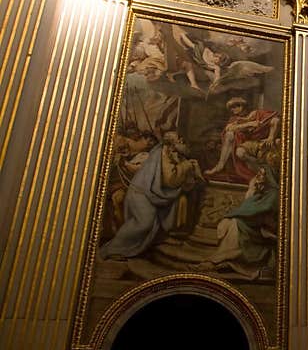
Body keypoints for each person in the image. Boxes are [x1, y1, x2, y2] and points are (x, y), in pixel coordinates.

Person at [99, 131, 205, 260]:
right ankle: (114, 249)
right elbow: (170, 180)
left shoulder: (171, 153)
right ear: (170, 144)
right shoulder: (163, 153)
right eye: (179, 140)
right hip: (141, 194)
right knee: (144, 223)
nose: (182, 141)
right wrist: (186, 166)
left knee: (165, 212)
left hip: (151, 193)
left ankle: (162, 238)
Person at [196, 166, 278, 279]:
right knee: (231, 223)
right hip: (253, 226)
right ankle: (226, 259)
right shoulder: (262, 190)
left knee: (235, 224)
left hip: (263, 231)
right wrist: (252, 190)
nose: (257, 176)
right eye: (257, 173)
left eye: (261, 174)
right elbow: (248, 208)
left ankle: (218, 259)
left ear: (269, 177)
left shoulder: (273, 194)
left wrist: (250, 194)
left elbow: (255, 211)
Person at [205, 97, 280, 182]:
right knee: (230, 137)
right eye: (231, 108)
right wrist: (249, 124)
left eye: (234, 107)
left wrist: (271, 137)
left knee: (240, 150)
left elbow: (275, 120)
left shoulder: (258, 114)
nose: (232, 110)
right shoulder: (236, 119)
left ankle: (263, 172)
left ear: (240, 106)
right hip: (244, 144)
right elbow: (229, 128)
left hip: (259, 143)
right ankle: (220, 165)